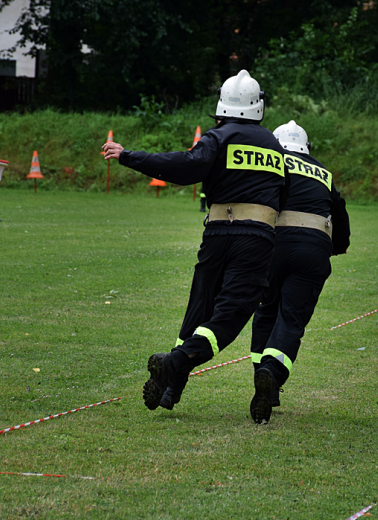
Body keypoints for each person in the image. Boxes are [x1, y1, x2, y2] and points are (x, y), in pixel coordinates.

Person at [103, 70, 289, 412]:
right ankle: (176, 362)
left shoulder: (218, 137)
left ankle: (173, 387)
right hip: (256, 239)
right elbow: (286, 196)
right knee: (230, 313)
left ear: (222, 107)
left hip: (216, 233)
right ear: (258, 107)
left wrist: (130, 156)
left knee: (199, 308)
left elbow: (185, 166)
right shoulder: (275, 146)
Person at [249, 120, 350, 424]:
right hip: (313, 247)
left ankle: (262, 377)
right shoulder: (323, 172)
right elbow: (339, 209)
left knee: (266, 311)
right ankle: (272, 373)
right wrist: (337, 247)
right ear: (307, 148)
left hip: (272, 246)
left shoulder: (271, 161)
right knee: (291, 318)